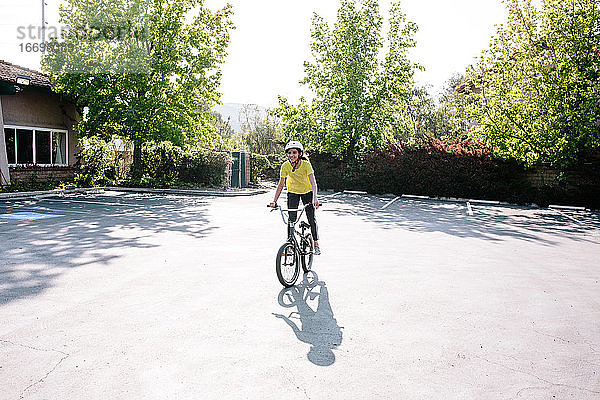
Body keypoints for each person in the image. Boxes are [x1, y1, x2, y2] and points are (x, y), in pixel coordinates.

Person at [269, 140, 321, 255]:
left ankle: (316, 243)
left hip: (307, 193)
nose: (291, 155)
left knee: (311, 217)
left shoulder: (306, 165)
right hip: (293, 193)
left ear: (299, 154)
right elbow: (281, 184)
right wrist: (274, 201)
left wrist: (315, 198)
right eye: (289, 153)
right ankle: (290, 244)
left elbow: (313, 183)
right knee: (291, 220)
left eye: (294, 152)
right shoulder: (285, 166)